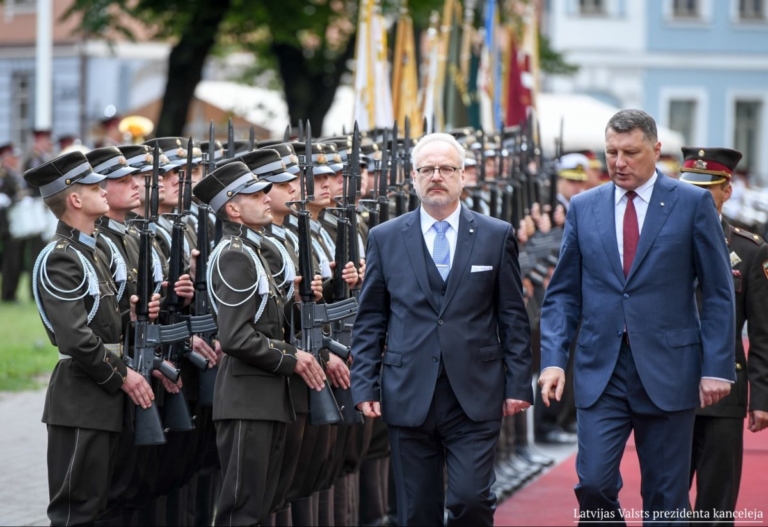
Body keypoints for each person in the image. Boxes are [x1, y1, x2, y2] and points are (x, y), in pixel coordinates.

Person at [538, 109, 736, 525]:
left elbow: (719, 293)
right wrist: (553, 360)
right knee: (593, 485)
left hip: (669, 370)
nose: (619, 162)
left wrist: (717, 367)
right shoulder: (584, 207)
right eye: (612, 152)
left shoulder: (691, 203)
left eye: (630, 152)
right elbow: (563, 295)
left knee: (666, 498)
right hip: (601, 371)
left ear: (656, 150)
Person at [351, 132, 533, 526]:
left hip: (475, 391)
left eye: (446, 168)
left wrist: (519, 383)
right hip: (408, 391)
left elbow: (512, 316)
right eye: (427, 169)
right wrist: (363, 384)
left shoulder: (495, 234)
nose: (437, 176)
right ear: (413, 177)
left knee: (471, 499)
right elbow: (370, 319)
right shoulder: (384, 238)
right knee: (417, 511)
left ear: (463, 175)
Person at [24, 150, 160, 525]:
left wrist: (131, 317)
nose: (103, 189)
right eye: (94, 186)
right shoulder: (61, 257)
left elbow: (101, 323)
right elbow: (75, 338)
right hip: (82, 397)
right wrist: (124, 376)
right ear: (75, 199)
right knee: (77, 511)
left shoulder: (93, 251)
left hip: (102, 395)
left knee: (103, 508)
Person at [192, 161, 327, 526]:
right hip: (247, 399)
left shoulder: (251, 250)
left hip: (264, 397)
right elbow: (235, 336)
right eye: (254, 195)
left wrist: (297, 303)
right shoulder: (235, 254)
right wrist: (293, 358)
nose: (266, 198)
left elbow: (266, 321)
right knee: (242, 510)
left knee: (263, 506)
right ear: (233, 208)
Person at [678, 147, 768, 524]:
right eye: (689, 189)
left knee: (715, 507)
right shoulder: (663, 241)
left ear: (726, 191)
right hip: (670, 386)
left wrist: (761, 398)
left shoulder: (749, 250)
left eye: (706, 189)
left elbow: (762, 333)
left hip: (724, 391)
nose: (696, 198)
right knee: (665, 499)